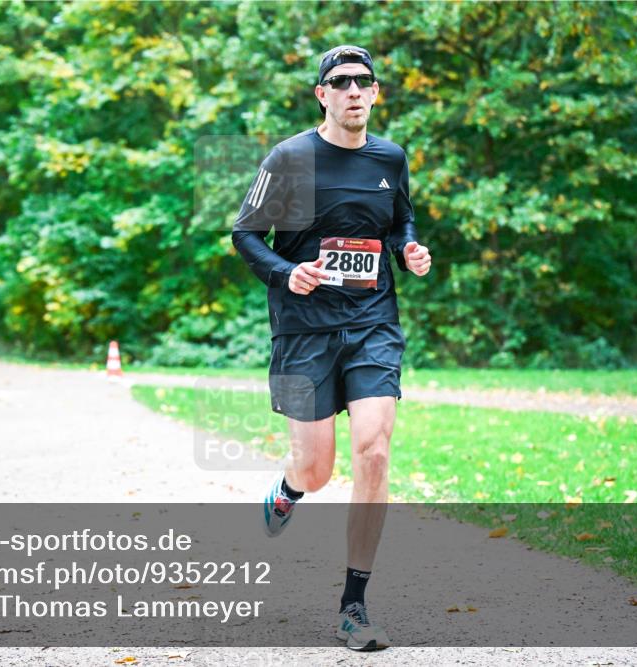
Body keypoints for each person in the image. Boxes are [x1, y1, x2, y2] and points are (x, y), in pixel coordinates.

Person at [231, 45, 432, 651]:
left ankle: (354, 605)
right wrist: (284, 273)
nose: (352, 91)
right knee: (318, 469)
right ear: (322, 94)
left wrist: (408, 250)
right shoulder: (291, 158)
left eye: (362, 82)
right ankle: (290, 488)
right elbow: (246, 234)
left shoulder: (389, 158)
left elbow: (400, 221)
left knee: (373, 452)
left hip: (373, 322)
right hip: (303, 330)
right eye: (339, 82)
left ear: (374, 94)